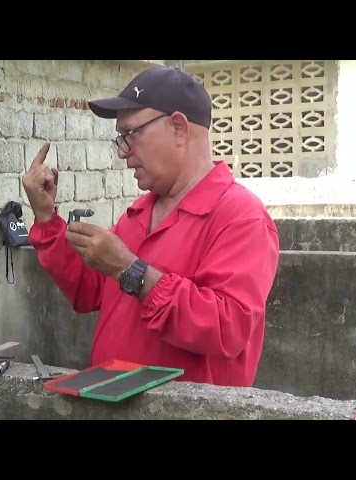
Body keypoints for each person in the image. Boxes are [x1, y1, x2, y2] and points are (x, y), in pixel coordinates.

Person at [22, 65, 280, 387]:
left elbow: (226, 329)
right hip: (113, 400)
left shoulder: (240, 216)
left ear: (179, 128)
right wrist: (47, 220)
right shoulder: (140, 211)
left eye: (130, 134)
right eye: (120, 138)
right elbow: (89, 290)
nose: (121, 152)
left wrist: (132, 272)